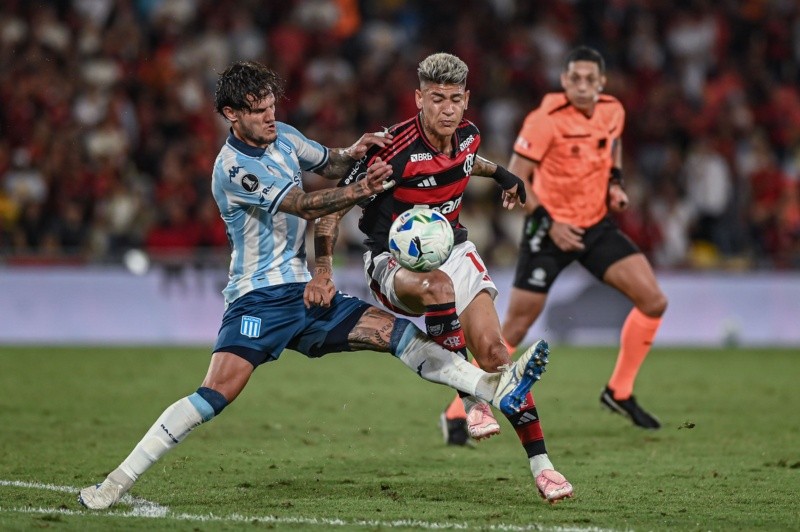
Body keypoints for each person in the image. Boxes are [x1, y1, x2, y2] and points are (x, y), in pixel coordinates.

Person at [77, 60, 549, 510]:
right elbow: (305, 204)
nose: (270, 117)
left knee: (400, 335)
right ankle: (114, 483)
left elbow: (331, 161)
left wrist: (357, 152)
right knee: (216, 393)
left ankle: (492, 391)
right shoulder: (233, 168)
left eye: (271, 107)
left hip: (305, 292)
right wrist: (362, 190)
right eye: (258, 111)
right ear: (231, 115)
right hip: (259, 297)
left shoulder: (283, 136)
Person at [318, 53, 573, 502]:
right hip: (392, 262)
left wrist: (506, 176)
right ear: (419, 99)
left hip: (453, 250)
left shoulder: (468, 137)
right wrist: (322, 272)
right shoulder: (391, 151)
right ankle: (473, 402)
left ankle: (543, 467)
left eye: (456, 99)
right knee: (439, 289)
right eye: (437, 99)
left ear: (467, 100)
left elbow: (471, 162)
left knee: (496, 352)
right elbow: (331, 210)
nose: (447, 109)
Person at [500, 46, 668, 428]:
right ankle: (460, 411)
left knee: (653, 301)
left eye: (590, 79)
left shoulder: (612, 110)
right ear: (563, 81)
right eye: (575, 78)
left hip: (594, 225)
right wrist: (551, 221)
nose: (582, 85)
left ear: (602, 83)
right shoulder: (544, 120)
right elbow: (514, 176)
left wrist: (616, 183)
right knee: (515, 327)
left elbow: (613, 144)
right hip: (547, 226)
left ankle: (619, 391)